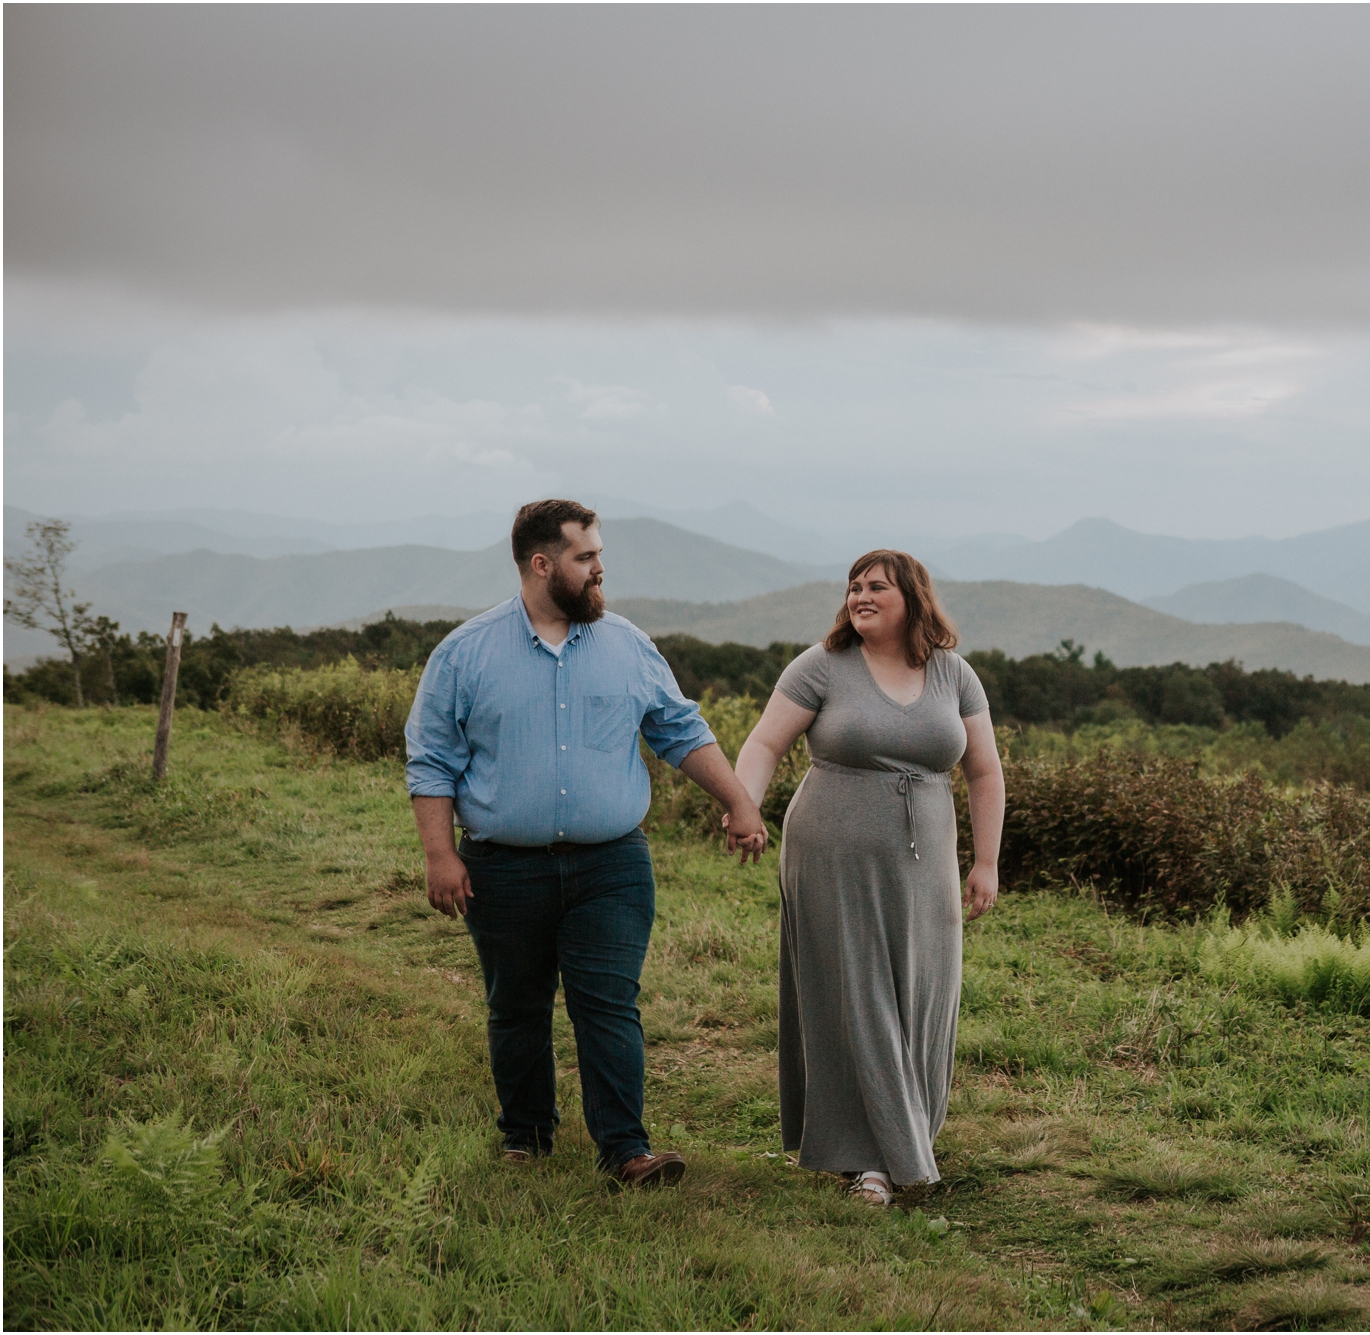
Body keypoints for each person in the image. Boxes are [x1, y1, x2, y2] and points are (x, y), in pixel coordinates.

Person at [405, 498, 768, 1187]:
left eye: (598, 554)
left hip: (612, 863)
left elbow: (679, 729)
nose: (600, 569)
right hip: (502, 866)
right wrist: (439, 853)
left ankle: (627, 1150)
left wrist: (738, 801)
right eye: (586, 557)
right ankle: (527, 1136)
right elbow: (432, 759)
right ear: (542, 565)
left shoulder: (627, 644)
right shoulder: (465, 653)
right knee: (516, 1004)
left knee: (607, 1000)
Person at [731, 549, 1004, 1206]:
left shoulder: (954, 675)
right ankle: (873, 1159)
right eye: (853, 586)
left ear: (912, 597)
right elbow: (765, 743)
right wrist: (745, 806)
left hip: (926, 863)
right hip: (830, 856)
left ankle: (907, 1130)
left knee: (923, 995)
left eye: (876, 585)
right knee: (856, 997)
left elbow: (985, 771)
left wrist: (986, 862)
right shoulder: (822, 666)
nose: (860, 594)